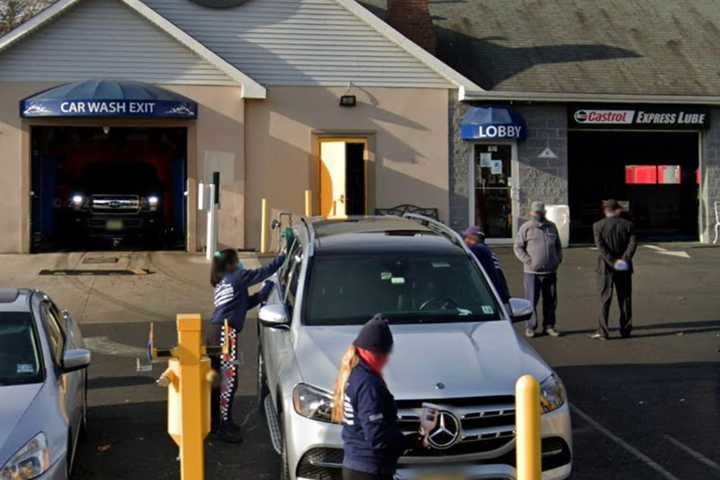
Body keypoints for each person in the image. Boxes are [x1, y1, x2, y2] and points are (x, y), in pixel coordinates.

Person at [209, 248, 285, 442]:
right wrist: (284, 257)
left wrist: (262, 294)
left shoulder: (224, 281)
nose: (241, 263)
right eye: (237, 260)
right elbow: (264, 271)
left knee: (224, 383)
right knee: (228, 383)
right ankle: (222, 428)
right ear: (230, 264)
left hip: (219, 332)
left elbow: (242, 304)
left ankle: (223, 422)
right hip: (225, 334)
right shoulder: (237, 277)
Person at [332, 315, 418, 480]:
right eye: (378, 354)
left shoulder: (353, 373)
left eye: (386, 353)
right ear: (363, 350)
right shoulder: (368, 384)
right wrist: (411, 442)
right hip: (370, 469)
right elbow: (377, 437)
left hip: (354, 464)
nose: (384, 359)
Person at [513, 201, 563, 338]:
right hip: (532, 273)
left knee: (551, 301)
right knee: (531, 301)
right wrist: (528, 261)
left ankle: (549, 326)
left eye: (540, 212)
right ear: (531, 213)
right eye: (536, 212)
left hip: (550, 272)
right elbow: (517, 247)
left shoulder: (552, 227)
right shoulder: (526, 227)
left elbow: (558, 245)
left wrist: (558, 259)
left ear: (544, 213)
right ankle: (530, 327)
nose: (538, 215)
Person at [591, 199, 637, 340]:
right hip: (624, 267)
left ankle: (603, 332)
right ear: (617, 209)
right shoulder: (628, 225)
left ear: (605, 211)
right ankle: (626, 330)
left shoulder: (597, 226)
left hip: (605, 268)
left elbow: (601, 248)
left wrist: (612, 262)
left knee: (604, 299)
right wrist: (623, 260)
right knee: (625, 299)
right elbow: (633, 244)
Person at [462, 226, 511, 304]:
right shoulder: (487, 250)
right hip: (499, 294)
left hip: (490, 296)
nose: (467, 241)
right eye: (466, 238)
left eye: (471, 239)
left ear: (480, 240)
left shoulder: (478, 249)